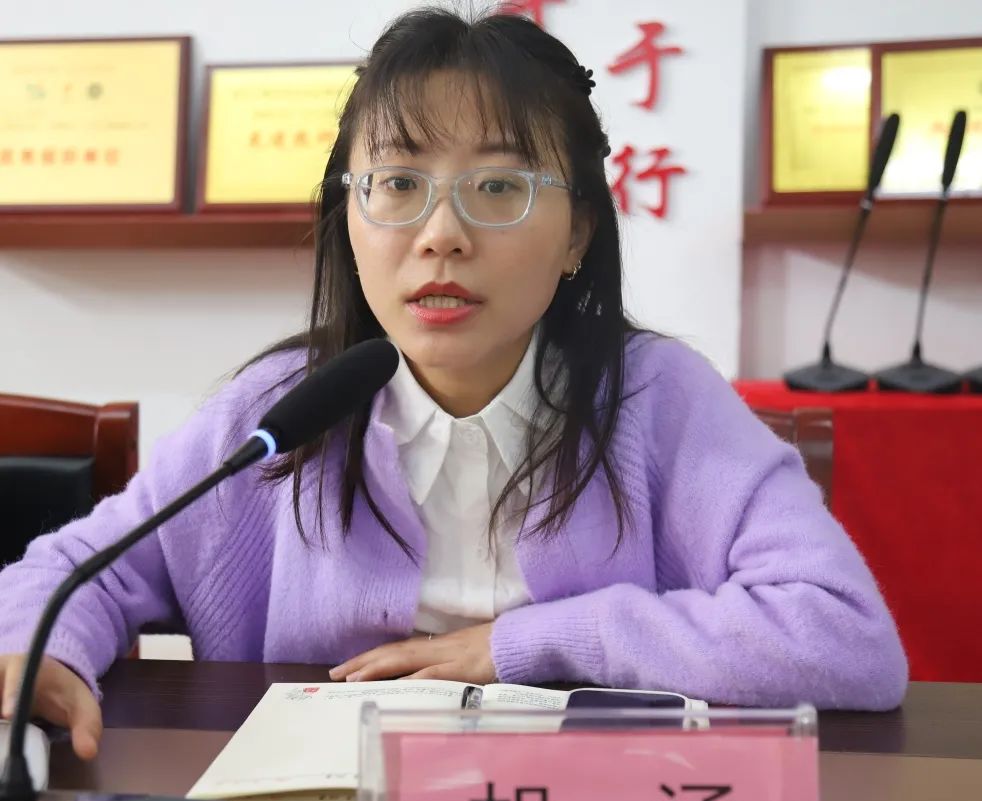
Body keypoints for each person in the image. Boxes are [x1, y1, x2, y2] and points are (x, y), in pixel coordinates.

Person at [0, 7, 907, 761]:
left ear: (578, 232)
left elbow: (844, 636)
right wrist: (42, 653)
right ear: (349, 218)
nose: (441, 234)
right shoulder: (280, 411)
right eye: (398, 183)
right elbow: (74, 574)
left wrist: (521, 647)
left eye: (499, 188)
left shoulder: (660, 400)